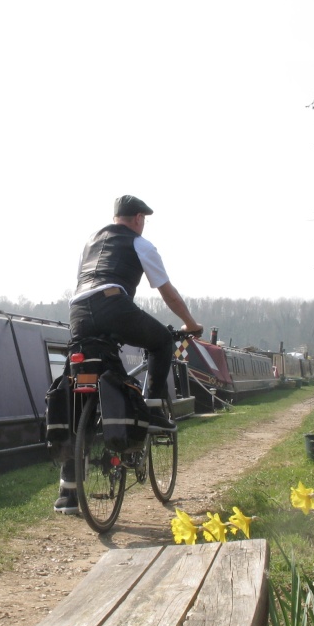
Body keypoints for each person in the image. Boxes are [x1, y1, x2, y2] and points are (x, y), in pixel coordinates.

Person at [55, 194, 203, 514]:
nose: (143, 224)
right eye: (143, 219)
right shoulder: (140, 244)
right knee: (162, 341)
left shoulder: (90, 242)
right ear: (138, 218)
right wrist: (190, 324)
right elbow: (168, 293)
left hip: (78, 312)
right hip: (111, 305)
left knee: (79, 386)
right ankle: (152, 407)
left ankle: (67, 491)